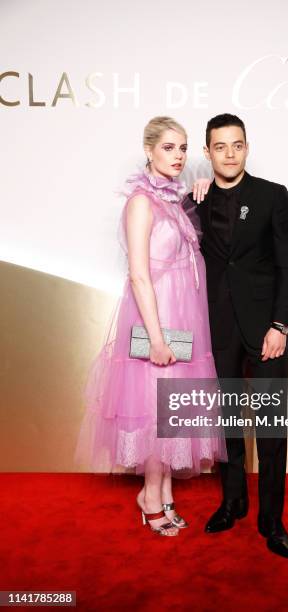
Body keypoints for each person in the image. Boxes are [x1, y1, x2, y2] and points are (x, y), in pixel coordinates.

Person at [74, 116, 226, 537]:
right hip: (153, 321)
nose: (178, 156)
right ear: (149, 150)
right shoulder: (141, 202)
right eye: (169, 148)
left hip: (182, 318)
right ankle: (150, 496)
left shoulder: (175, 202)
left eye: (183, 148)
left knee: (170, 413)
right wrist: (156, 338)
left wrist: (200, 193)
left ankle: (160, 492)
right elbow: (139, 274)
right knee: (154, 410)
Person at [186, 113, 288, 558]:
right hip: (221, 328)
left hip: (267, 331)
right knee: (229, 422)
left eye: (237, 145)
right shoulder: (194, 202)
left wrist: (281, 326)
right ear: (207, 152)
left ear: (247, 147)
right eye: (220, 146)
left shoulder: (273, 196)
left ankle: (272, 520)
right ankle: (232, 502)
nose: (229, 153)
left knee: (271, 428)